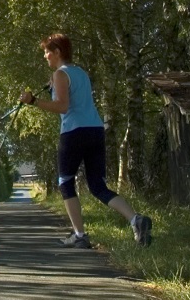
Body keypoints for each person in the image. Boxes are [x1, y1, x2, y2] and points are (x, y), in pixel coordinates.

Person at [21, 34, 153, 249]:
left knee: (65, 182)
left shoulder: (60, 75)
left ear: (57, 52)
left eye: (47, 51)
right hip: (95, 130)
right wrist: (53, 86)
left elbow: (62, 107)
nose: (45, 56)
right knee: (98, 185)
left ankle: (80, 234)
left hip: (74, 132)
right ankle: (135, 220)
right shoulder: (80, 73)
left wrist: (33, 101)